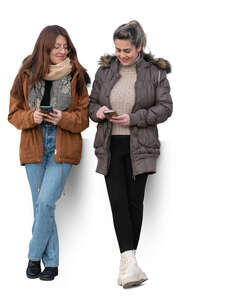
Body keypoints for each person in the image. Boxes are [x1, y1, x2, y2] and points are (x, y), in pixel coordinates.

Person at [89, 20, 173, 288]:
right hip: (110, 146)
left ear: (139, 47)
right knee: (118, 202)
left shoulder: (155, 73)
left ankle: (128, 264)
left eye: (127, 50)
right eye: (118, 49)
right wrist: (99, 112)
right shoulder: (104, 71)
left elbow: (165, 108)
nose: (121, 55)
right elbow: (91, 105)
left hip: (141, 147)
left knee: (135, 203)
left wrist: (134, 118)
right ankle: (130, 265)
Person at [8, 25, 90, 281]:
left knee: (45, 203)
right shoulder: (26, 74)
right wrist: (31, 116)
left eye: (65, 47)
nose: (63, 51)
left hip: (62, 149)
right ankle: (52, 264)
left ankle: (33, 256)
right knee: (40, 207)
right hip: (34, 147)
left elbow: (84, 118)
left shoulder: (76, 75)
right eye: (57, 47)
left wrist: (62, 118)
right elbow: (13, 114)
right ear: (44, 47)